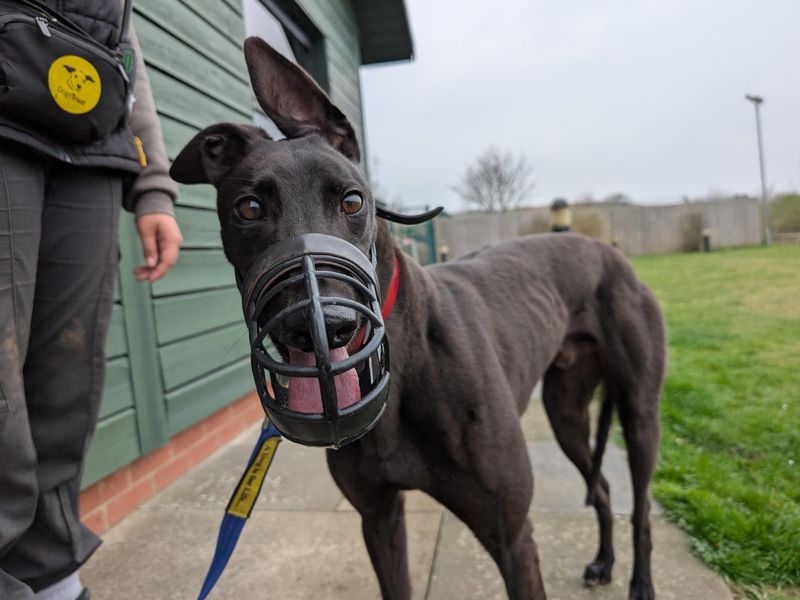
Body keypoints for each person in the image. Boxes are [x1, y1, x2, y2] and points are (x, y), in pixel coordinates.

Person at [0, 1, 183, 598]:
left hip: (93, 147)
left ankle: (50, 574)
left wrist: (154, 187)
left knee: (66, 380)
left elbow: (125, 46)